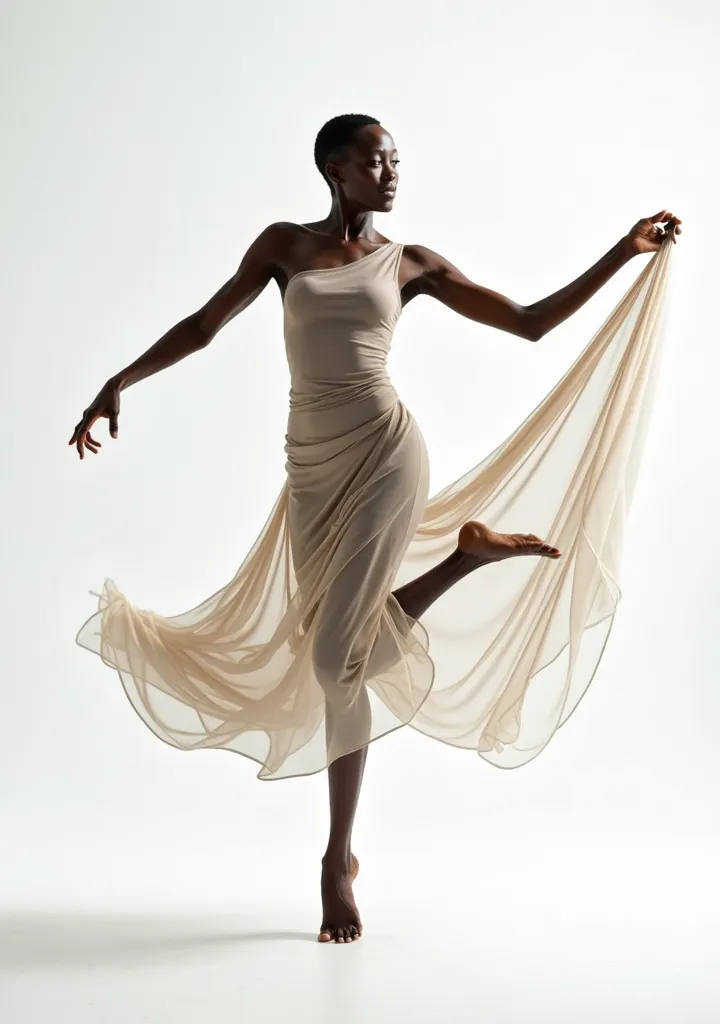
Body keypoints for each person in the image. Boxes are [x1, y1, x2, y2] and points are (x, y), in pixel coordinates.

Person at [69, 114, 681, 944]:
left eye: (396, 159)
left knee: (333, 660)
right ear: (334, 169)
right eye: (374, 160)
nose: (391, 172)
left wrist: (624, 248)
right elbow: (205, 325)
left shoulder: (413, 263)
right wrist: (120, 379)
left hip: (388, 455)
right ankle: (465, 557)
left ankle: (336, 858)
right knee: (339, 650)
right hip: (310, 470)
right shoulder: (283, 247)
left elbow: (531, 322)